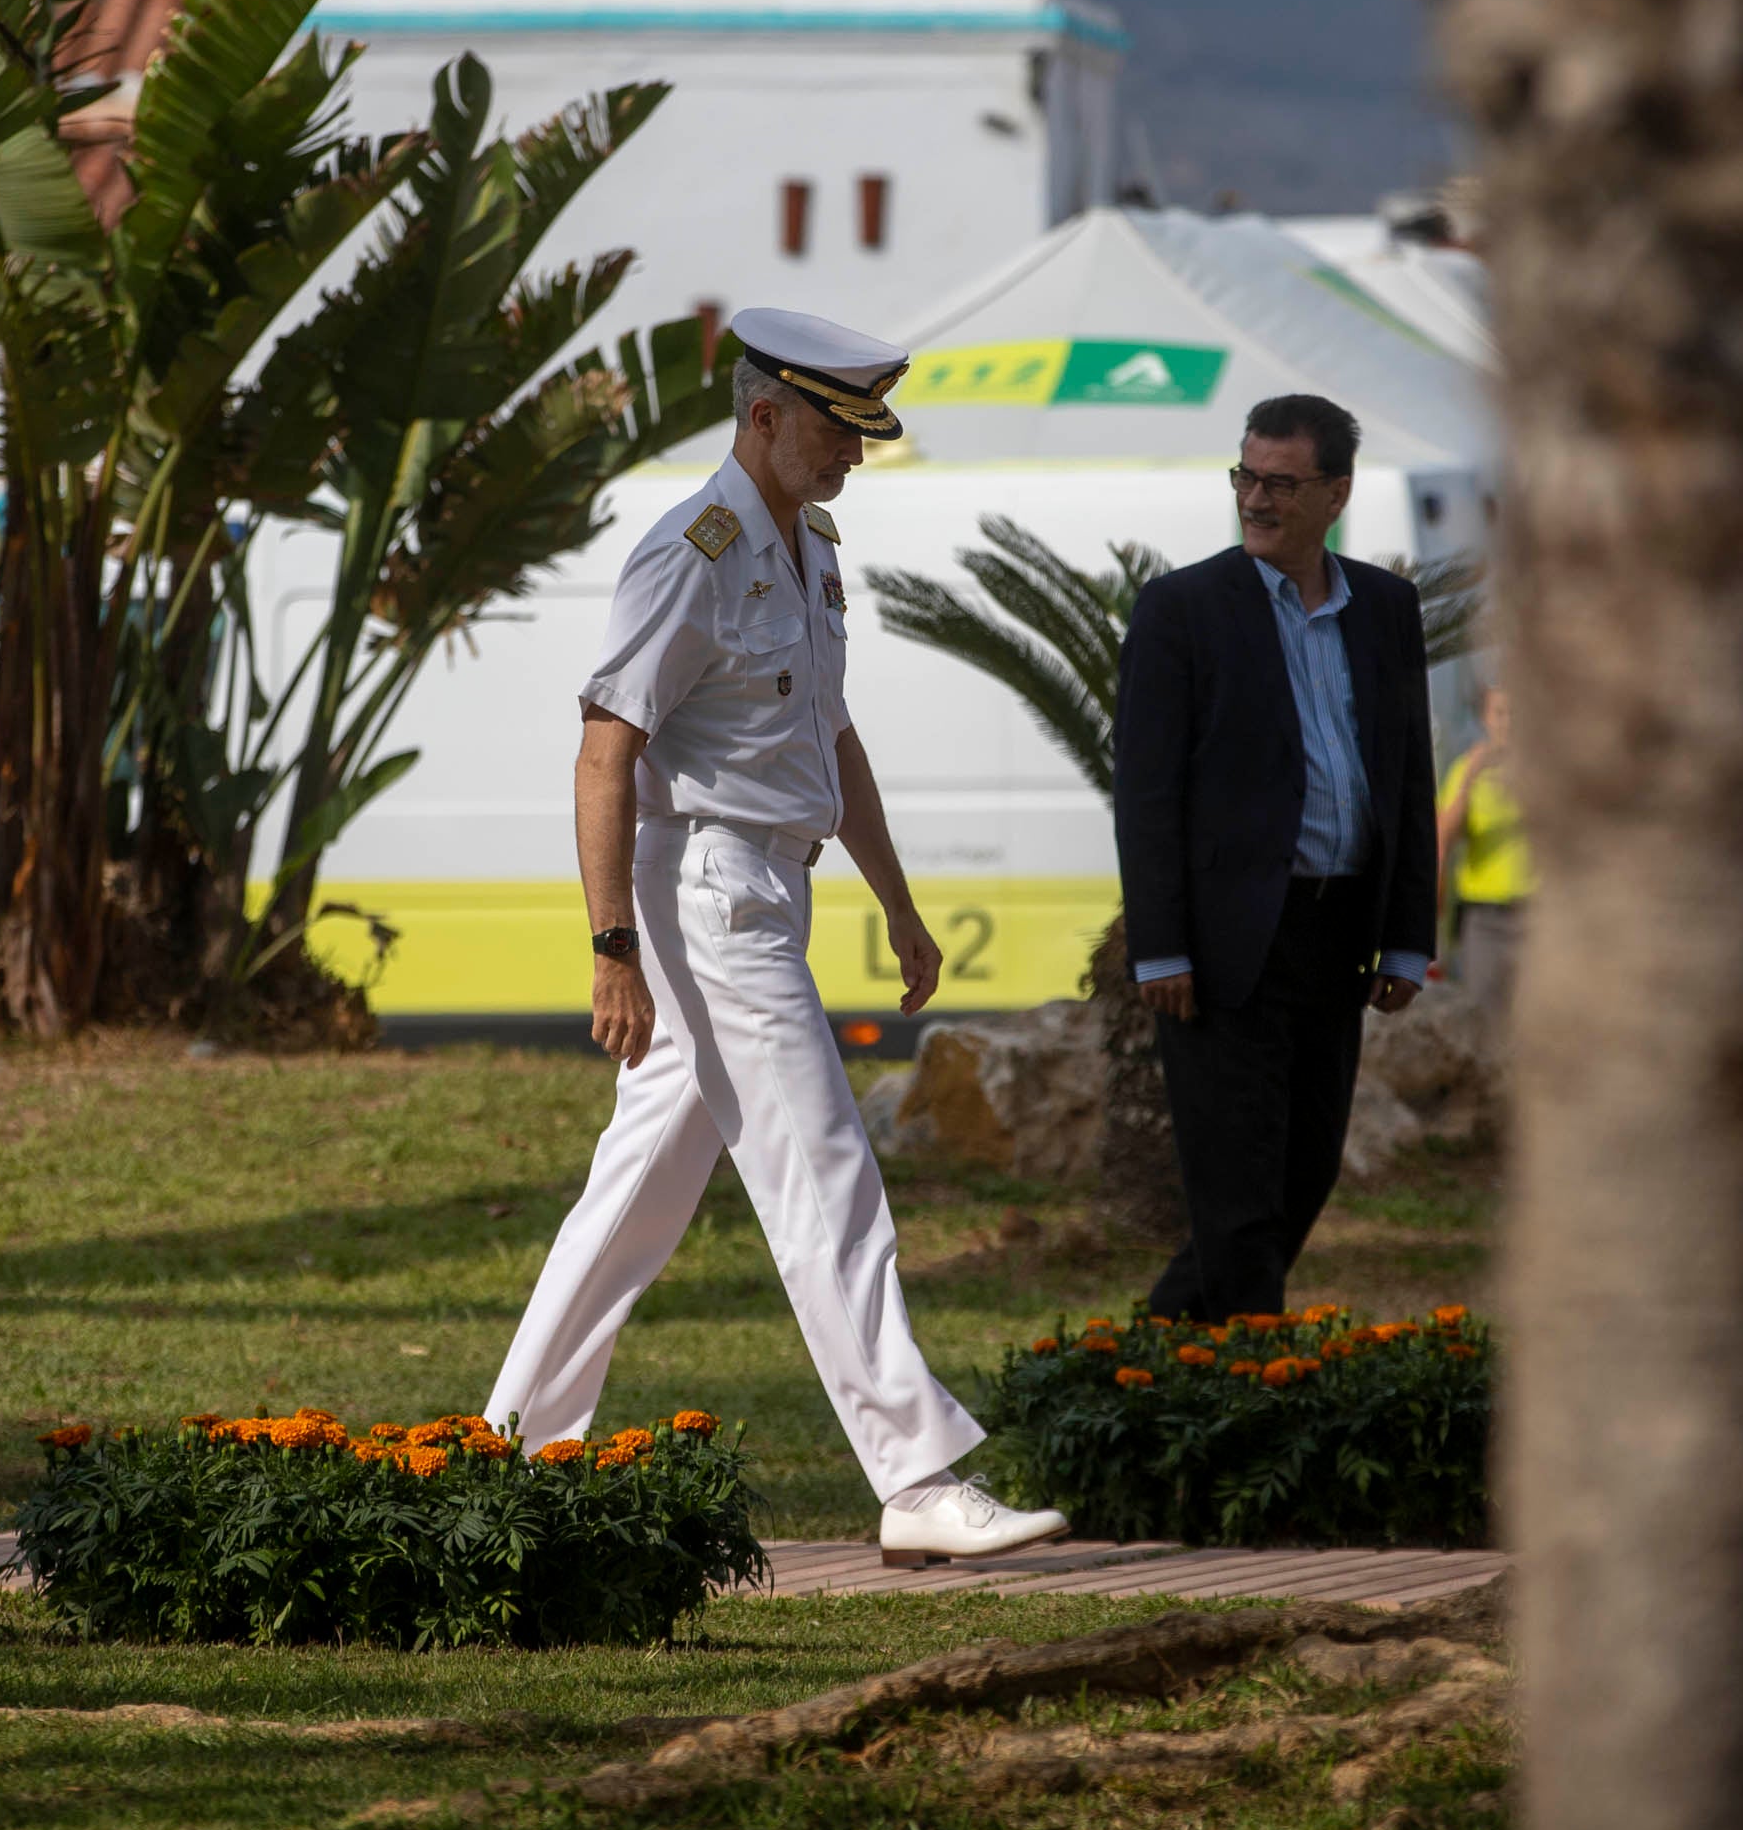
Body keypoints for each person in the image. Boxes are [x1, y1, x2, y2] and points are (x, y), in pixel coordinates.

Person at [484, 309, 1066, 1569]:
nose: (851, 455)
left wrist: (898, 901)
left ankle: (506, 1451)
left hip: (761, 888)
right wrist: (609, 947)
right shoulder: (686, 554)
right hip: (705, 894)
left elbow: (832, 741)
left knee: (634, 1198)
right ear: (762, 417)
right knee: (826, 1171)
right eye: (834, 431)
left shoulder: (806, 547)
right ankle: (915, 1476)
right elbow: (603, 751)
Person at [1112, 395, 1439, 1322]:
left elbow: (1407, 777)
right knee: (1239, 1191)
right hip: (1223, 950)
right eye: (1246, 476)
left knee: (1304, 1175)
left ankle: (1149, 1357)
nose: (1256, 499)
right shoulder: (1181, 609)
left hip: (1339, 938)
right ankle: (1251, 1391)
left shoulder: (1384, 606)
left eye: (1280, 483)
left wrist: (1408, 938)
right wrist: (1161, 946)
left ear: (1335, 492)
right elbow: (1144, 793)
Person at [1434, 686, 1528, 1025]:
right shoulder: (1467, 769)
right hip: (1486, 920)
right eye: (1500, 714)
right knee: (1485, 1023)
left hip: (1538, 916)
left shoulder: (1547, 772)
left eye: (1516, 712)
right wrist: (1469, 780)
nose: (1509, 723)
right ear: (1485, 719)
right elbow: (1444, 835)